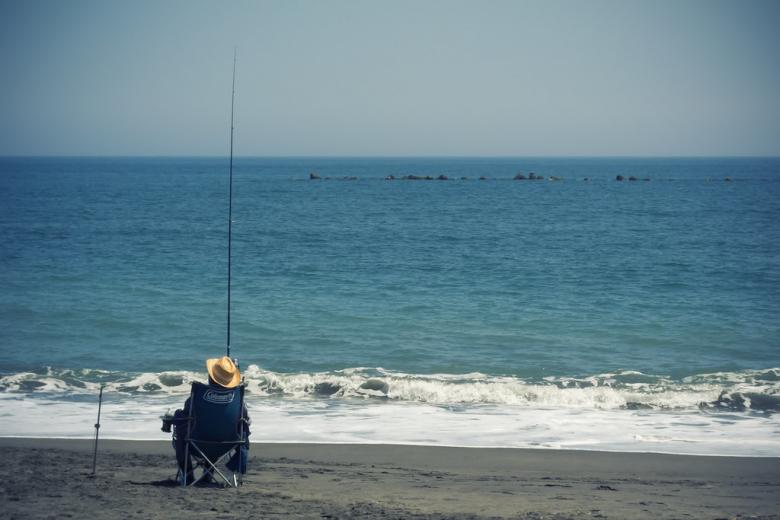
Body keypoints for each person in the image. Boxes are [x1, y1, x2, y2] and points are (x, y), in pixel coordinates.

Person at [169, 356, 250, 483]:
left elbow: (186, 414)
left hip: (197, 443)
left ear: (211, 376)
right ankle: (222, 470)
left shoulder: (199, 395)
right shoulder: (238, 399)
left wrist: (175, 415)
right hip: (226, 444)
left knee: (181, 429)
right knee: (242, 431)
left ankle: (188, 475)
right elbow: (245, 419)